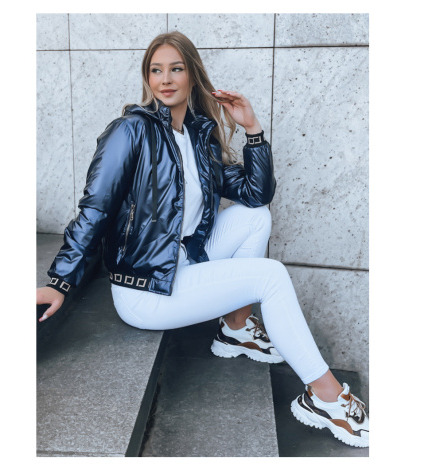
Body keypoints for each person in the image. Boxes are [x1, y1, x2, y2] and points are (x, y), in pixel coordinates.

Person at [36, 31, 369, 449]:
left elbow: (255, 193)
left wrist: (252, 130)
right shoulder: (131, 130)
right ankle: (326, 397)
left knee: (254, 217)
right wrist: (61, 281)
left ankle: (235, 328)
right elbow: (95, 208)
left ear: (192, 75)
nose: (165, 79)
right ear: (147, 78)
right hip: (145, 288)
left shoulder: (197, 136)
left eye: (176, 69)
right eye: (156, 70)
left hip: (185, 261)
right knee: (271, 276)